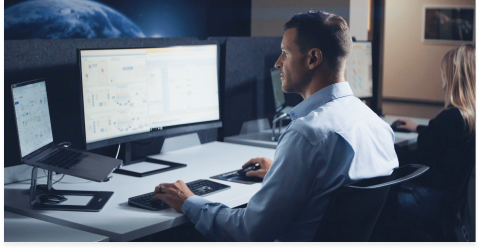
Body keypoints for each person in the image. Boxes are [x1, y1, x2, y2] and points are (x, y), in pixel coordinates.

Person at [152, 11, 398, 242]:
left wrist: (189, 201)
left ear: (313, 58)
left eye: (285, 53)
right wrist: (280, 173)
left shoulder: (307, 134)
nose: (278, 62)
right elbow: (333, 194)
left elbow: (251, 230)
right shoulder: (377, 125)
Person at [390, 44, 476, 231]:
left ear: (452, 77)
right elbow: (440, 138)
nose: (441, 77)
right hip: (448, 204)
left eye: (443, 72)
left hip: (427, 202)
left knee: (381, 201)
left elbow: (416, 163)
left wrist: (385, 145)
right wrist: (418, 127)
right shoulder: (465, 117)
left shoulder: (448, 119)